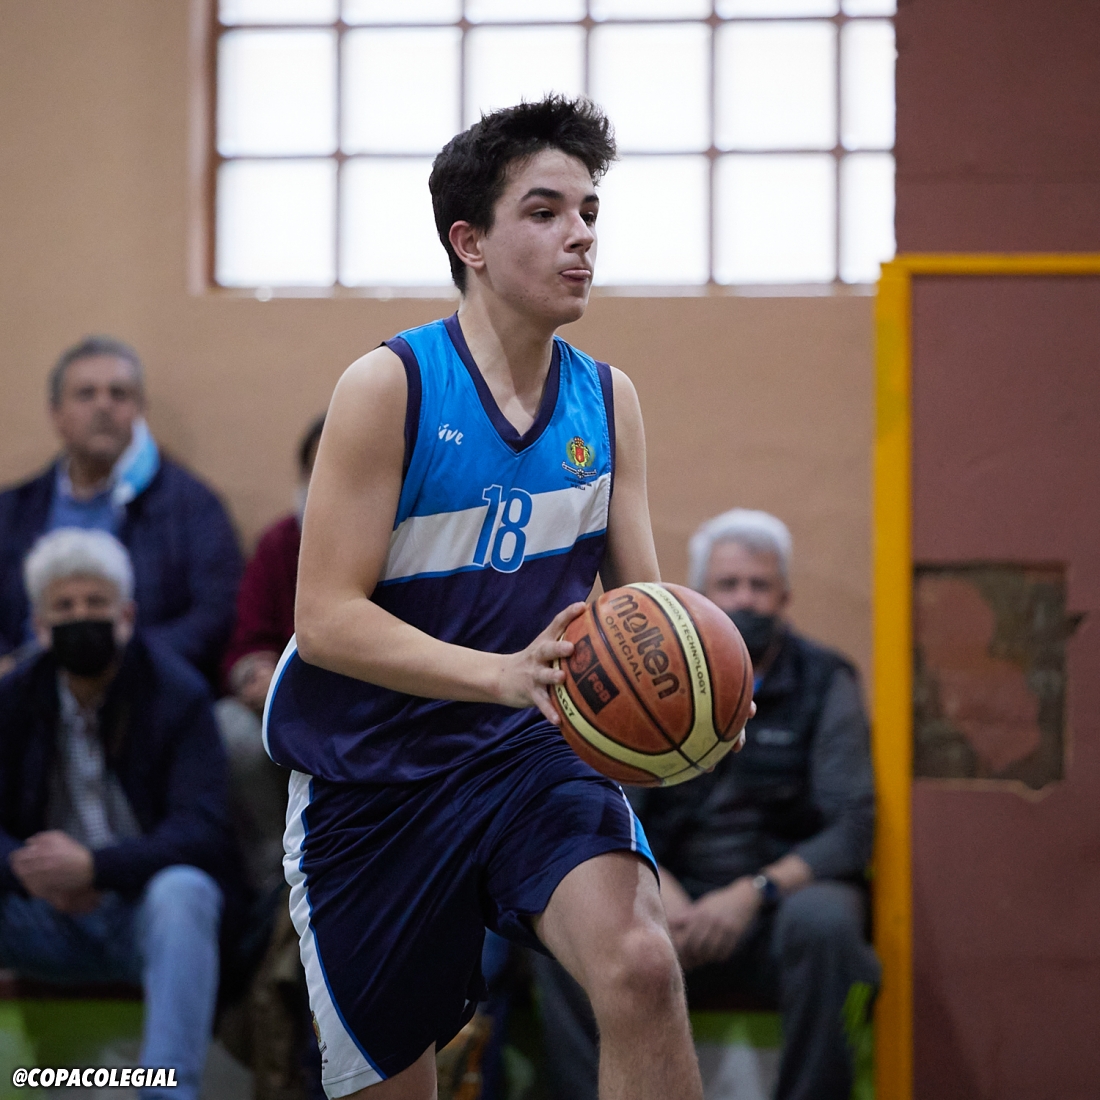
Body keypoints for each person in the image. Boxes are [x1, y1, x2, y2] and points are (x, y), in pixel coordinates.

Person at [263, 97, 714, 1100]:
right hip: (371, 777)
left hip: (526, 753)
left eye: (589, 212)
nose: (580, 236)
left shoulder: (608, 399)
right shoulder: (388, 386)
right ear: (469, 241)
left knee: (641, 966)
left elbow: (642, 610)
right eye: (545, 212)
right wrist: (502, 673)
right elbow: (324, 620)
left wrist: (698, 695)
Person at [534, 508, 880, 1100]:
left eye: (760, 585)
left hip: (773, 906)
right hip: (671, 895)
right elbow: (613, 802)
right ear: (699, 598)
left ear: (785, 596)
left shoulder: (826, 679)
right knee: (567, 925)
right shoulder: (645, 675)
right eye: (729, 584)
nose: (745, 598)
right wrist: (657, 885)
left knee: (825, 923)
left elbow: (852, 824)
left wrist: (753, 892)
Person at [0, 528, 244, 1099]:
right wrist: (28, 870)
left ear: (127, 616)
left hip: (140, 914)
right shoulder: (14, 700)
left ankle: (165, 1091)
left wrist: (97, 868)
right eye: (63, 607)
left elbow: (203, 829)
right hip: (42, 914)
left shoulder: (176, 694)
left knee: (186, 891)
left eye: (95, 603)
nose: (80, 616)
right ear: (38, 625)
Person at [0, 336, 243, 683]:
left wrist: (125, 665)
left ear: (140, 409)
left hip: (146, 691)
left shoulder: (193, 507)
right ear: (56, 414)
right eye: (86, 394)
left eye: (119, 394)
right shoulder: (14, 509)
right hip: (25, 691)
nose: (103, 406)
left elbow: (215, 614)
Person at [218, 413, 325, 895]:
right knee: (230, 728)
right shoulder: (280, 544)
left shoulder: (410, 542)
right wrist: (255, 672)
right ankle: (273, 879)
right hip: (291, 704)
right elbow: (247, 642)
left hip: (378, 707)